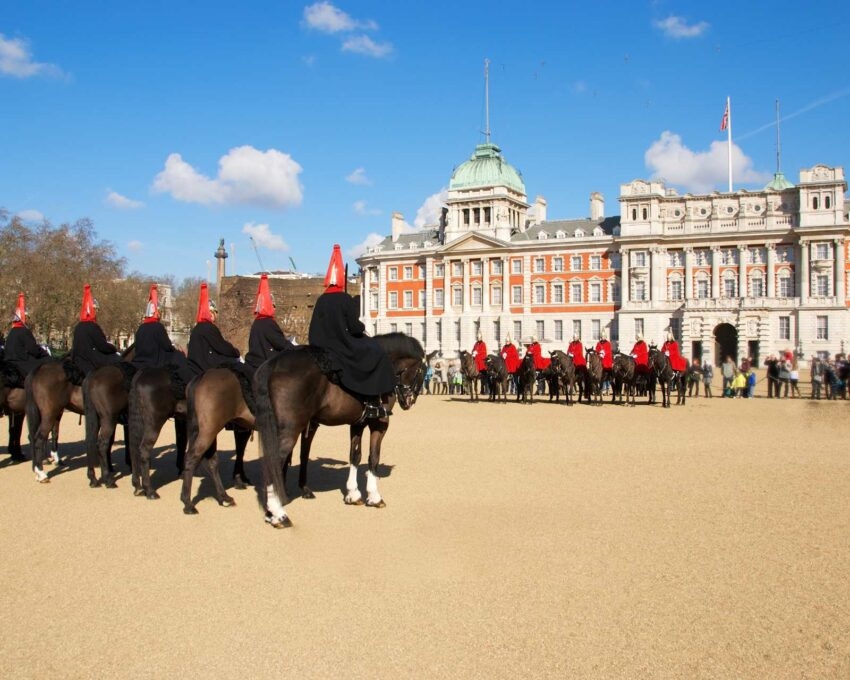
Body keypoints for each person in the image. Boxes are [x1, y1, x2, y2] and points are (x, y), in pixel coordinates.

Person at [308, 244, 395, 420]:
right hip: (340, 345)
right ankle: (372, 402)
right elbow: (354, 329)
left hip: (319, 345)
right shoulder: (344, 299)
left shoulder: (321, 300)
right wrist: (362, 328)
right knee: (375, 352)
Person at [132, 284, 194, 385]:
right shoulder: (158, 327)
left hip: (140, 359)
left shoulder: (141, 328)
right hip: (156, 360)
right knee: (179, 357)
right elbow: (166, 346)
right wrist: (176, 350)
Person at [187, 282, 247, 380]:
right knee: (242, 369)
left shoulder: (196, 328)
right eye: (212, 312)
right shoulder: (209, 327)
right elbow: (221, 346)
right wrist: (235, 352)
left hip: (194, 367)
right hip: (207, 367)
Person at [244, 274, 295, 373]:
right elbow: (280, 343)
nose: (275, 309)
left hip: (254, 363)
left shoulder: (257, 322)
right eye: (273, 306)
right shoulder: (268, 323)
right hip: (265, 365)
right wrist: (295, 349)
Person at [70, 284, 120, 376]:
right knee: (118, 360)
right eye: (96, 310)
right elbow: (102, 346)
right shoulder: (93, 326)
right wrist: (113, 349)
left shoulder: (78, 326)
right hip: (91, 359)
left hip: (77, 358)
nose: (97, 312)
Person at [4, 292, 50, 384]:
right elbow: (33, 350)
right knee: (46, 366)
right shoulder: (24, 331)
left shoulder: (12, 331)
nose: (29, 320)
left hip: (9, 361)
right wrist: (44, 354)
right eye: (28, 317)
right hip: (21, 362)